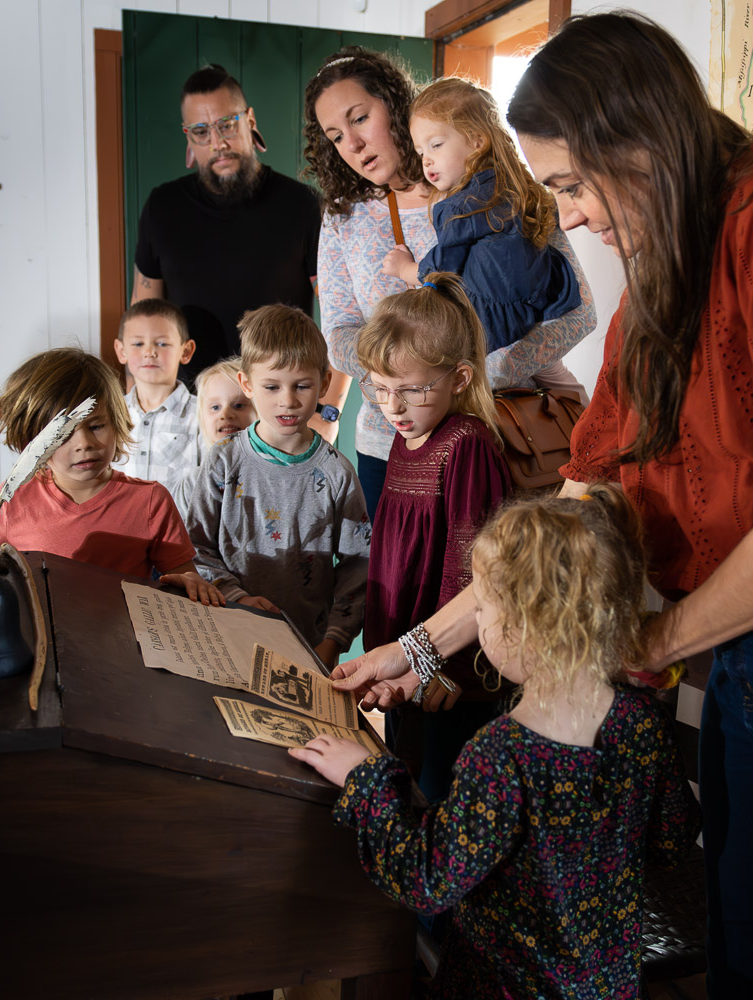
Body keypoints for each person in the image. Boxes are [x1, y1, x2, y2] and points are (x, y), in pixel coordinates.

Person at [337, 12, 753, 999]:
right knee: (743, 959)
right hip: (752, 641)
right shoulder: (664, 270)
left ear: (640, 141)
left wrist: (643, 644)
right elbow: (576, 507)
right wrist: (421, 648)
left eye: (572, 184)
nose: (569, 217)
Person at [290, 484, 700, 999]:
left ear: (523, 626)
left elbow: (428, 880)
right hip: (605, 985)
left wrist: (367, 778)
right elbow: (671, 840)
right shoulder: (642, 721)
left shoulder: (501, 754)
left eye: (482, 608)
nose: (477, 622)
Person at [303, 47, 596, 517]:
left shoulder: (505, 191)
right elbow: (338, 335)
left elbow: (579, 315)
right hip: (389, 447)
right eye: (336, 136)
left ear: (396, 107)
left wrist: (471, 380)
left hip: (507, 439)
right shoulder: (344, 218)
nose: (352, 144)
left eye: (359, 118)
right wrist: (414, 379)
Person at [356, 271, 512, 802]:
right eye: (380, 390)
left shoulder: (466, 443)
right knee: (404, 778)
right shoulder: (406, 438)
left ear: (460, 378)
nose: (392, 407)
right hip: (406, 660)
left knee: (440, 796)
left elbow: (472, 571)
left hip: (450, 677)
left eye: (409, 391)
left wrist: (443, 668)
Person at [0, 347, 220, 606]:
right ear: (31, 441)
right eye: (62, 434)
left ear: (117, 422)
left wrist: (191, 584)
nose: (84, 443)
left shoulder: (151, 500)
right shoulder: (10, 502)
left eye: (96, 426)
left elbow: (182, 577)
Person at [183, 305, 369, 667]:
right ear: (247, 384)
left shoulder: (339, 474)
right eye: (272, 387)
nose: (288, 400)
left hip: (308, 650)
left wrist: (334, 641)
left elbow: (358, 567)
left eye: (302, 386)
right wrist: (235, 595)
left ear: (324, 383)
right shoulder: (222, 461)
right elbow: (195, 547)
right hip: (226, 637)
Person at [133, 64, 322, 389]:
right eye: (201, 131)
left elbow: (340, 317)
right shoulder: (162, 207)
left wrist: (328, 409)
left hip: (279, 405)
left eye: (227, 125)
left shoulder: (302, 204)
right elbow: (141, 325)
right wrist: (137, 408)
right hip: (187, 407)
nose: (217, 143)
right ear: (188, 137)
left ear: (250, 121)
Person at [380, 78, 581, 363]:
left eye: (436, 145)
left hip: (490, 326)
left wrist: (404, 269)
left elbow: (442, 268)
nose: (426, 160)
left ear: (477, 141)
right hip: (540, 308)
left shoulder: (463, 206)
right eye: (421, 152)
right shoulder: (515, 188)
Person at [110, 298, 200, 495]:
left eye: (162, 343)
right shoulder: (110, 414)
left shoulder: (203, 415)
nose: (149, 352)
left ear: (185, 351)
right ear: (121, 351)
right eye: (138, 343)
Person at [170, 357, 254, 523]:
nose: (225, 414)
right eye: (215, 407)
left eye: (238, 405)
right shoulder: (192, 483)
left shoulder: (274, 476)